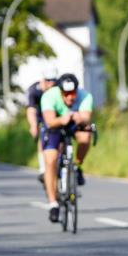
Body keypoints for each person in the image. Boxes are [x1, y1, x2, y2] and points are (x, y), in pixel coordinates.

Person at [40, 73, 93, 223]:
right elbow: (50, 121)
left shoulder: (85, 96)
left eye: (73, 93)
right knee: (50, 160)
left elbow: (87, 117)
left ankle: (77, 166)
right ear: (60, 92)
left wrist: (80, 118)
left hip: (74, 123)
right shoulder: (49, 96)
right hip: (55, 126)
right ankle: (53, 204)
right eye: (66, 94)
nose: (70, 97)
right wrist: (62, 119)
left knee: (85, 137)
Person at [26, 64, 58, 183]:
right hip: (40, 115)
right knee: (43, 136)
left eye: (53, 81)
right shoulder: (34, 90)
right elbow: (31, 110)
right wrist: (33, 125)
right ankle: (43, 168)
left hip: (54, 113)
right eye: (48, 81)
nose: (51, 84)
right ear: (43, 80)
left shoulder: (58, 88)